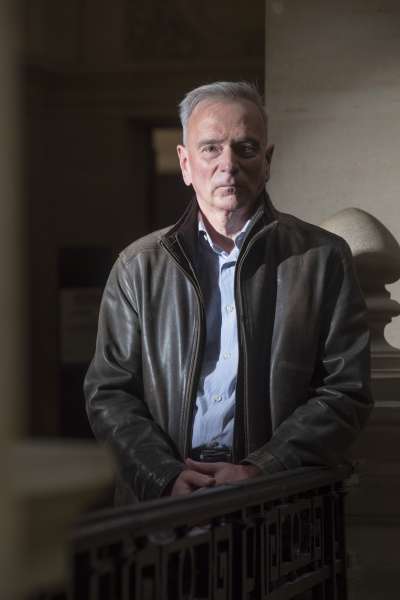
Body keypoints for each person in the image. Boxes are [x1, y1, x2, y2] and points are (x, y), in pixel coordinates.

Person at [84, 81, 372, 504]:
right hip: (164, 509)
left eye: (246, 148)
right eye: (211, 148)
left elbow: (345, 389)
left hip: (276, 507)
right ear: (185, 164)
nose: (229, 164)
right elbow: (109, 394)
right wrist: (163, 476)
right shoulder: (138, 267)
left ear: (267, 161)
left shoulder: (322, 258)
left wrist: (263, 469)